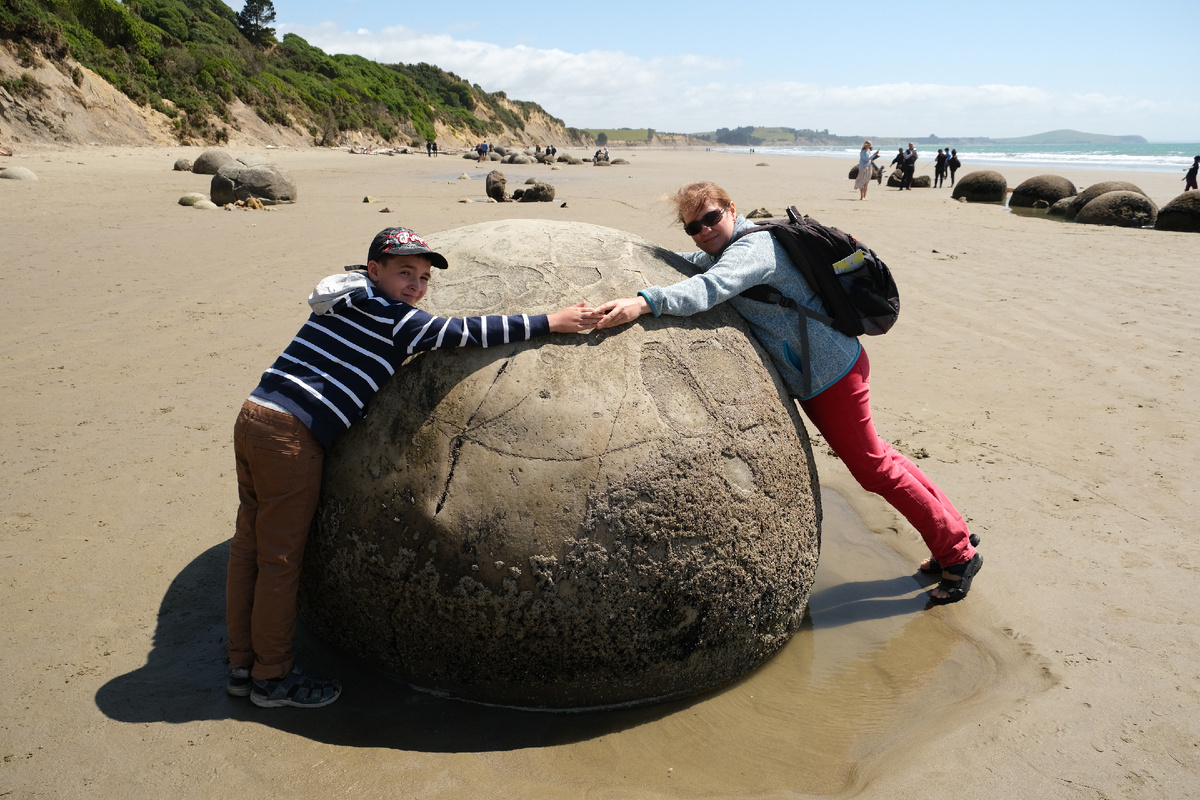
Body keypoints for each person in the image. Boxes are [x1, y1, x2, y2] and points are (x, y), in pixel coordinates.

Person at [225, 227, 602, 708]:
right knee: (279, 560)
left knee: (248, 547)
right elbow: (461, 333)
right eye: (405, 272)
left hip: (255, 416)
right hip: (292, 437)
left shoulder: (348, 296)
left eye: (424, 278)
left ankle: (241, 664)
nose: (416, 287)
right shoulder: (395, 319)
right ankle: (271, 678)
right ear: (375, 269)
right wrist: (553, 319)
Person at [592, 182, 982, 605]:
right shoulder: (727, 249)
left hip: (831, 373)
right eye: (692, 227)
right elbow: (696, 264)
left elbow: (710, 288)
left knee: (874, 469)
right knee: (882, 458)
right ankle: (955, 533)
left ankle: (958, 555)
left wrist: (644, 303)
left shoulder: (752, 250)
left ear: (730, 209)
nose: (703, 231)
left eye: (710, 218)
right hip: (822, 370)